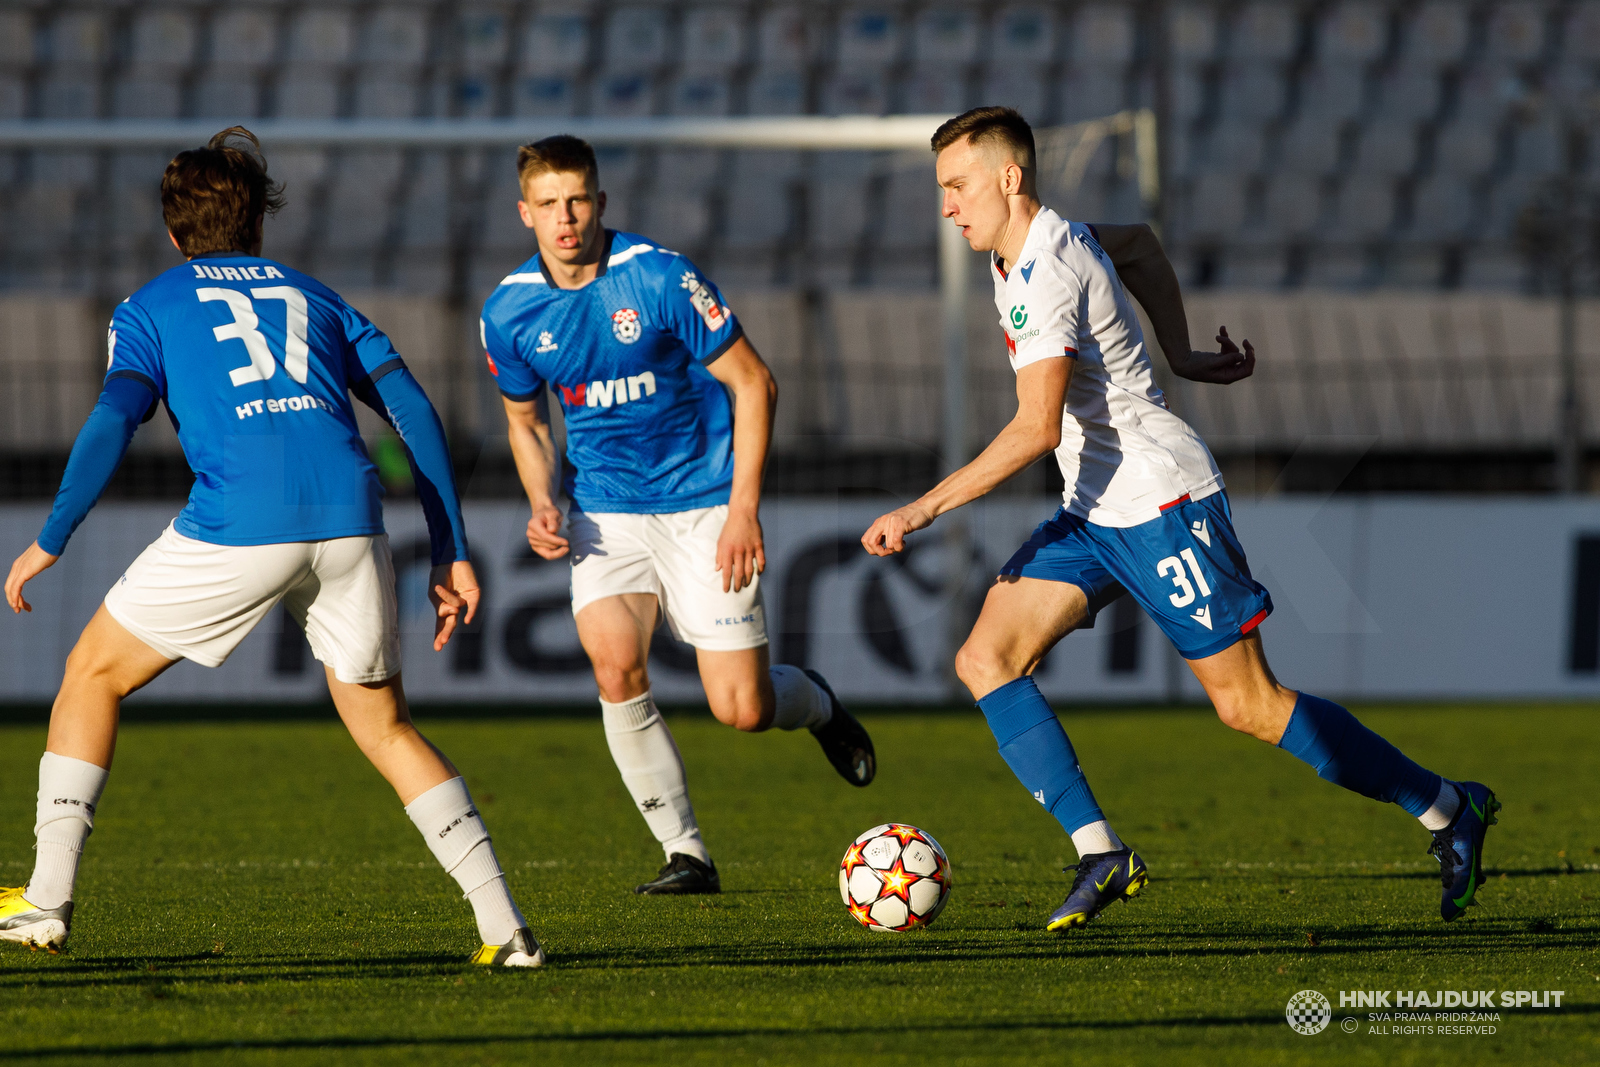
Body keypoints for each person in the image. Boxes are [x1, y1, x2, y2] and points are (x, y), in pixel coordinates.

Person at [861, 107, 1497, 930]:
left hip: (1163, 505)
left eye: (956, 186)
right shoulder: (1032, 243)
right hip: (1094, 510)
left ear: (1008, 179)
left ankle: (1449, 807)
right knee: (987, 656)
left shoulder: (1046, 267)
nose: (946, 206)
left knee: (1251, 706)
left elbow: (1034, 428)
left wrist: (920, 508)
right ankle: (1103, 852)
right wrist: (1182, 350)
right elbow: (1138, 246)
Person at [0, 128, 543, 966]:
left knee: (91, 673)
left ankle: (46, 901)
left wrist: (51, 536)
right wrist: (450, 548)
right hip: (350, 521)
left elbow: (115, 419)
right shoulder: (319, 298)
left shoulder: (149, 305)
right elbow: (415, 413)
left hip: (239, 523)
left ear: (176, 235)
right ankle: (505, 929)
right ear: (258, 228)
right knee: (387, 725)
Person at [480, 135, 876, 895]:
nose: (567, 219)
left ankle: (816, 701)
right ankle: (686, 851)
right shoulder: (509, 311)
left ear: (601, 201)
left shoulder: (660, 277)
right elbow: (525, 422)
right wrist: (541, 499)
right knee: (614, 666)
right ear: (524, 212)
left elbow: (755, 384)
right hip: (605, 513)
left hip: (704, 508)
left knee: (743, 708)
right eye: (550, 205)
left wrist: (742, 508)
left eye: (579, 200)